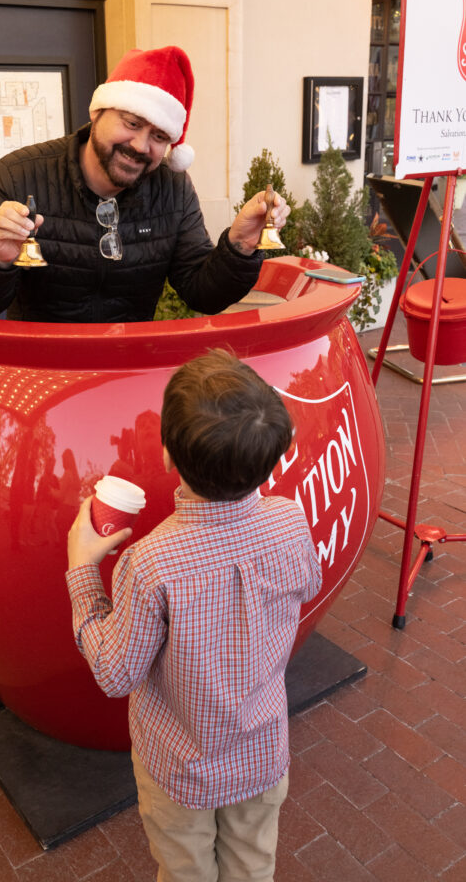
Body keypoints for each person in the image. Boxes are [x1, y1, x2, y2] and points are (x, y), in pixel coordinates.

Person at [65, 349, 322, 882]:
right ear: (273, 454)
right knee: (253, 867)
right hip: (262, 754)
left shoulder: (151, 563)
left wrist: (82, 571)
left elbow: (115, 674)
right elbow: (308, 585)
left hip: (181, 771)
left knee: (186, 873)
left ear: (167, 456)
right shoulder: (292, 521)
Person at [0, 46, 289, 322]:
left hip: (129, 369)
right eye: (131, 122)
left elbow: (202, 292)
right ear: (99, 113)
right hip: (41, 371)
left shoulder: (172, 188)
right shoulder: (20, 174)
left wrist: (240, 246)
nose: (141, 146)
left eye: (159, 136)